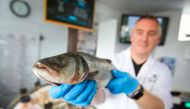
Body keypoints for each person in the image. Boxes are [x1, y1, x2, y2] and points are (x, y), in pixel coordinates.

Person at [49, 15, 173, 109]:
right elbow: (101, 99)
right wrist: (90, 94)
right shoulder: (107, 62)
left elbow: (160, 106)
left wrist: (135, 89)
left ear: (158, 39)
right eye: (139, 32)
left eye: (151, 33)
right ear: (132, 35)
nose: (144, 39)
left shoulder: (163, 70)